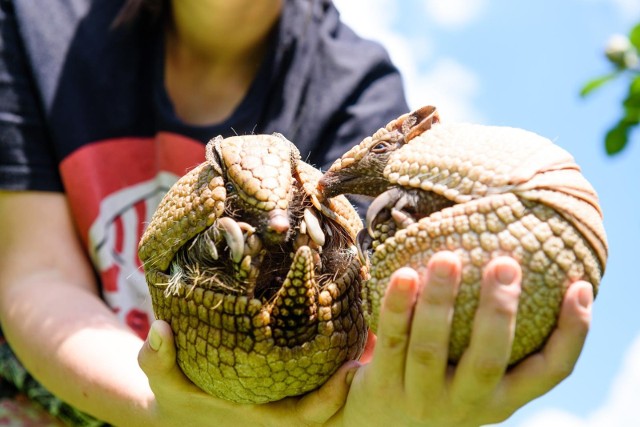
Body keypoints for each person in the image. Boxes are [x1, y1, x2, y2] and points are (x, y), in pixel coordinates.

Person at [0, 0, 593, 425]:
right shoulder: (36, 22)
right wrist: (159, 408)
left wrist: (382, 409)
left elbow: (365, 329)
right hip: (54, 391)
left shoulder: (357, 89)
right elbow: (34, 271)